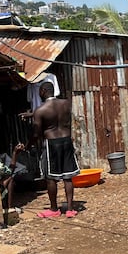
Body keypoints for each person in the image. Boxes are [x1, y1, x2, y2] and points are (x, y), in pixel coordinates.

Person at [30, 81, 80, 218]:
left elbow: (36, 133)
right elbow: (56, 116)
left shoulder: (40, 111)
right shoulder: (66, 104)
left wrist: (30, 145)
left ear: (43, 91)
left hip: (51, 143)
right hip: (66, 141)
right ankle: (70, 209)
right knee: (68, 176)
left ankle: (54, 209)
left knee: (50, 178)